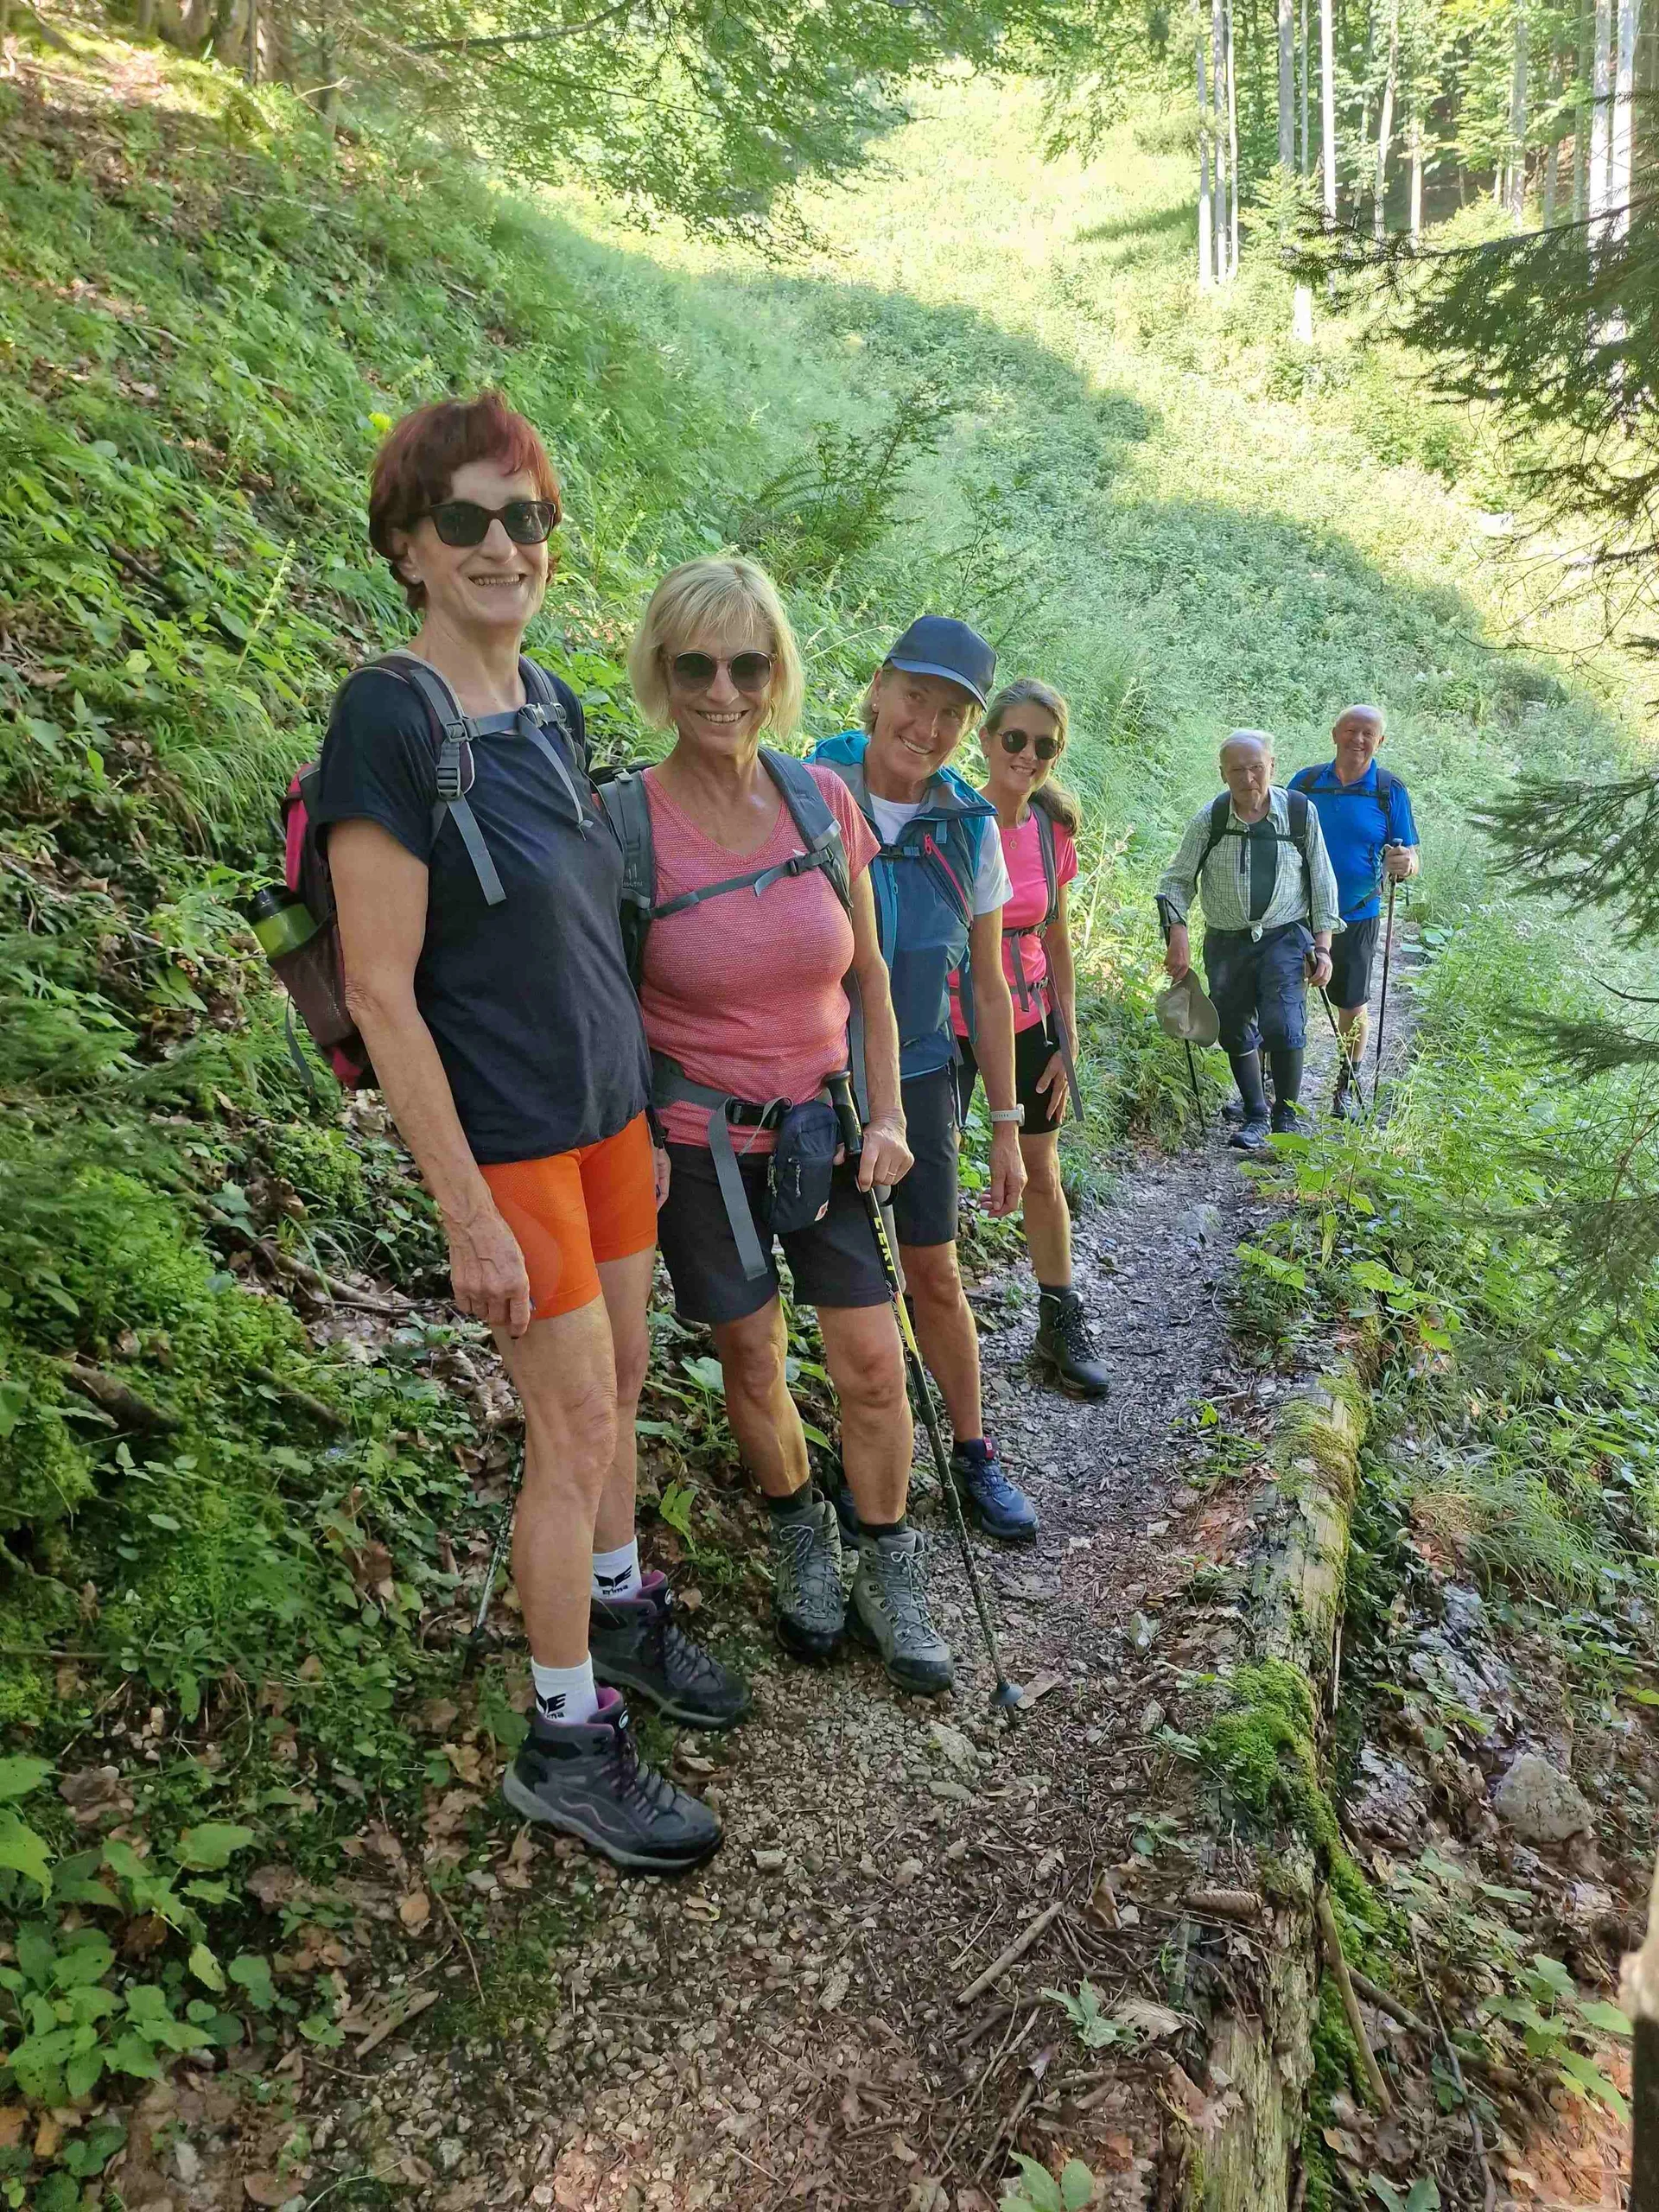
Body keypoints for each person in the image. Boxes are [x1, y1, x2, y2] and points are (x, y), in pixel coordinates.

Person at [314, 394, 741, 1878]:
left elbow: (579, 935)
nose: (506, 545)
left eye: (530, 517)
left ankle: (615, 1609)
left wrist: (642, 1101)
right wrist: (465, 1216)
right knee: (568, 1429)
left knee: (619, 1386)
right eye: (470, 522)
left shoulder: (547, 705)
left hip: (607, 1121)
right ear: (409, 550)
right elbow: (378, 984)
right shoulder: (389, 716)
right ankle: (566, 1741)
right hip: (505, 1141)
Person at [619, 559, 957, 1695]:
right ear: (664, 675)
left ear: (778, 674)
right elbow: (605, 1004)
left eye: (747, 664)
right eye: (696, 666)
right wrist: (628, 1144)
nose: (723, 689)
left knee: (870, 1365)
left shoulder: (824, 804)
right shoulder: (629, 828)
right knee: (753, 1356)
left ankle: (885, 1559)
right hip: (695, 1145)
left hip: (823, 1134)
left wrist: (894, 1115)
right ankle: (797, 1525)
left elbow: (869, 983)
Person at [811, 620, 1039, 1541]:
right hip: (815, 1079)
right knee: (836, 1285)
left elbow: (986, 987)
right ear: (878, 687)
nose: (929, 724)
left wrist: (1006, 1122)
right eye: (916, 697)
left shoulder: (968, 825)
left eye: (953, 712)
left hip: (923, 1078)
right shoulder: (807, 788)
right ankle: (857, 1441)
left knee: (933, 1273)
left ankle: (974, 1449)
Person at [951, 680, 1109, 1400]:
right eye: (1014, 739)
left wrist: (1066, 1031)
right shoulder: (950, 817)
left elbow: (1056, 934)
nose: (1027, 755)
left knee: (1041, 1167)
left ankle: (1058, 1316)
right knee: (931, 1164)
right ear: (985, 738)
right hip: (949, 1017)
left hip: (1031, 1014)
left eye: (1044, 745)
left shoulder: (1051, 832)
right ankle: (931, 1325)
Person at [1156, 729, 1342, 1154]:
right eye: (1237, 769)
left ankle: (1286, 1114)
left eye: (1256, 767)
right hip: (1226, 940)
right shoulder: (1212, 818)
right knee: (1235, 1027)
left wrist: (1324, 946)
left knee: (1283, 1024)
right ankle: (1256, 1114)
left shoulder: (1299, 813)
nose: (1248, 778)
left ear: (1272, 768)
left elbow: (1322, 880)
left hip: (1285, 936)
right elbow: (1176, 881)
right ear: (1222, 774)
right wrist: (1177, 933)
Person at [1288, 705, 1421, 1120]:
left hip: (1358, 913)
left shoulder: (1389, 790)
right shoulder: (1306, 783)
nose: (1358, 740)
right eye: (1350, 731)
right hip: (1297, 910)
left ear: (1380, 741)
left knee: (1352, 1004)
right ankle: (1274, 1080)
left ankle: (1347, 1084)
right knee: (1283, 996)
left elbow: (1409, 856)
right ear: (1334, 734)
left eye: (1368, 733)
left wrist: (1406, 864)